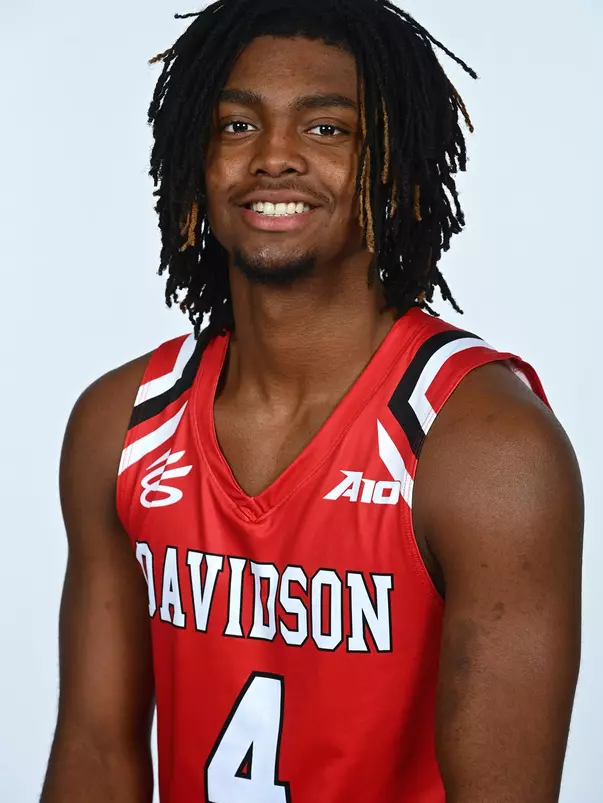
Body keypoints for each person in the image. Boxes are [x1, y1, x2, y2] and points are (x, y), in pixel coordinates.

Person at [41, 1, 584, 801]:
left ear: (394, 167)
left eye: (326, 129)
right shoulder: (121, 424)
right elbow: (96, 754)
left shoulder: (484, 448)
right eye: (235, 125)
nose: (273, 158)